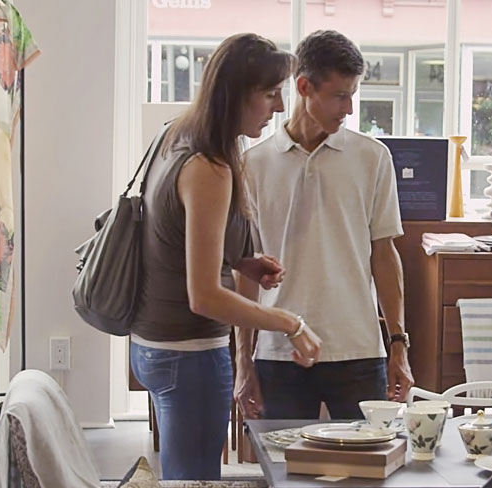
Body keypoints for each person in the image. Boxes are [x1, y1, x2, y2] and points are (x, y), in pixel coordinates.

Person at [129, 33, 322, 481]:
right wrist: (291, 323)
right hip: (189, 353)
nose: (278, 107)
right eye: (271, 93)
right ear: (236, 93)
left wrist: (244, 261)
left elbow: (174, 236)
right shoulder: (210, 167)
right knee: (194, 481)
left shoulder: (175, 137)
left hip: (152, 345)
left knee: (182, 476)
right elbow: (205, 297)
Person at [236, 30, 413, 421]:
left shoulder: (373, 158)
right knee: (283, 475)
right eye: (339, 95)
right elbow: (245, 270)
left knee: (369, 475)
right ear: (304, 87)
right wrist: (243, 361)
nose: (349, 108)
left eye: (353, 94)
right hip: (279, 354)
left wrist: (398, 345)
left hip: (359, 350)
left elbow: (385, 256)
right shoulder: (253, 165)